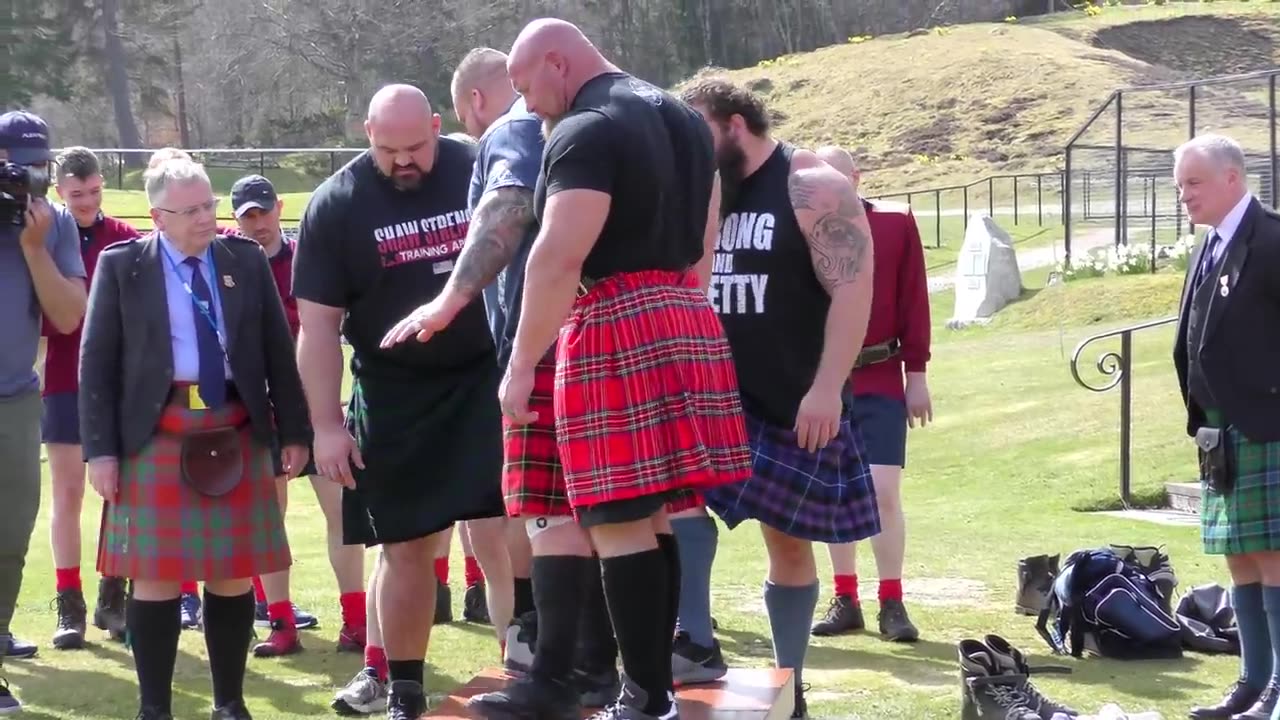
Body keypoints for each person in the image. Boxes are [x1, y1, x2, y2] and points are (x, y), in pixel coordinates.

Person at [484, 21, 754, 720]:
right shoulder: (683, 120)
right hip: (680, 308)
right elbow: (705, 237)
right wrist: (673, 305)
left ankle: (642, 697)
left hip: (612, 314)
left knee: (614, 517)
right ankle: (653, 690)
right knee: (655, 512)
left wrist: (520, 366)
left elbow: (557, 255)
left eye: (525, 87)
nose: (530, 105)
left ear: (555, 61)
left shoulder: (587, 126)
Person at [382, 45, 627, 714]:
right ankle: (606, 671)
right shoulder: (615, 118)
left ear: (473, 105)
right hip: (603, 337)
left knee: (552, 514)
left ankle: (566, 675)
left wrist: (448, 301)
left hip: (546, 342)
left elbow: (510, 205)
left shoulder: (512, 133)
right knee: (606, 515)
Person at [292, 83, 508, 720]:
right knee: (407, 545)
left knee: (507, 531)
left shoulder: (479, 167)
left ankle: (525, 667)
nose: (404, 160)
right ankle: (404, 690)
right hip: (395, 389)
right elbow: (317, 328)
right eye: (389, 149)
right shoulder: (337, 205)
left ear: (439, 126)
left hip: (485, 377)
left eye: (416, 146)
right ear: (367, 134)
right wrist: (327, 426)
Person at [80, 154, 310, 720]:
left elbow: (279, 351)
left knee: (232, 575)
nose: (206, 218)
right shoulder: (124, 266)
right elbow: (97, 364)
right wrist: (101, 452)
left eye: (209, 204)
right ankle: (154, 707)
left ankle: (229, 703)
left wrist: (295, 431)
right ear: (158, 216)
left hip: (235, 426)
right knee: (154, 577)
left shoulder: (245, 260)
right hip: (155, 431)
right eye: (190, 211)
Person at [679, 77, 881, 719]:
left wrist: (826, 388)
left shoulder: (812, 185)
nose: (692, 147)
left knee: (787, 543)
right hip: (714, 397)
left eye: (700, 131)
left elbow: (854, 291)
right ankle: (696, 642)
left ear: (735, 124)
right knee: (675, 505)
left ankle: (789, 687)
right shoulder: (705, 190)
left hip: (793, 400)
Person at [228, 173, 367, 657]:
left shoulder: (304, 256)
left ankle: (356, 622)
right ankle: (281, 623)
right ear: (235, 219)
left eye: (264, 212)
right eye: (248, 216)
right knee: (270, 519)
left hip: (315, 406)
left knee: (344, 513)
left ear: (279, 208)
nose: (258, 223)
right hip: (263, 411)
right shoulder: (231, 262)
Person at [1176, 134, 1280, 720]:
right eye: (1180, 185)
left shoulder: (1271, 241)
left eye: (1194, 183)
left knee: (1273, 556)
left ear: (1232, 178)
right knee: (1239, 557)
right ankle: (1252, 683)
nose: (1183, 194)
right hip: (1217, 431)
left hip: (1268, 424)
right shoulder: (1209, 246)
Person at [810, 145, 931, 643]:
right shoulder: (805, 234)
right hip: (825, 385)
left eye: (840, 178)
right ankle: (846, 598)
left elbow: (914, 298)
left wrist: (917, 373)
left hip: (880, 377)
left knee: (883, 492)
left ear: (857, 178)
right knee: (834, 493)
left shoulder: (896, 224)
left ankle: (892, 600)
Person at [0, 110, 88, 714]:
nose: (29, 177)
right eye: (17, 165)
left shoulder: (50, 223)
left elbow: (68, 315)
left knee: (10, 535)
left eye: (38, 165)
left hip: (14, 396)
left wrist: (33, 247)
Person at [40, 146, 139, 650]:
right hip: (62, 378)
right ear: (59, 191)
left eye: (95, 191)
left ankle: (113, 595)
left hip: (117, 385)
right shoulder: (46, 236)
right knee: (68, 493)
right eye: (77, 194)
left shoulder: (123, 238)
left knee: (117, 492)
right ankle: (69, 602)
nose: (87, 202)